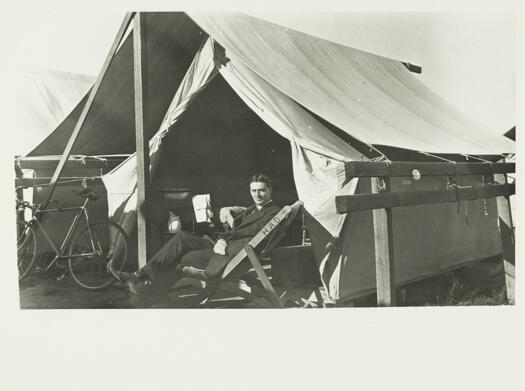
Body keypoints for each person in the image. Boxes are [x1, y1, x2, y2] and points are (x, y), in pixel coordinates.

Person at [109, 173, 280, 306]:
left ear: (270, 190)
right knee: (181, 239)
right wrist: (223, 235)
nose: (257, 194)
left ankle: (148, 291)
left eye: (262, 190)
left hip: (233, 254)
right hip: (223, 245)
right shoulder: (253, 209)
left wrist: (226, 248)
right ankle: (141, 277)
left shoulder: (272, 214)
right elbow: (239, 226)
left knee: (181, 257)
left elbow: (258, 242)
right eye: (254, 190)